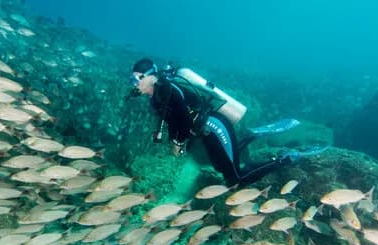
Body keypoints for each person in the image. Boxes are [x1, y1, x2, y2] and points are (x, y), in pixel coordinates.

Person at [129, 58, 324, 187]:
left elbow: (181, 119)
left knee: (235, 179)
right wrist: (176, 140)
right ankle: (250, 136)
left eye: (136, 79)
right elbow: (172, 119)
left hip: (214, 127)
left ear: (151, 77)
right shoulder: (156, 96)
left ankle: (287, 158)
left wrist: (178, 143)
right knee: (222, 168)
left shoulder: (167, 91)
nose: (134, 84)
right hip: (206, 132)